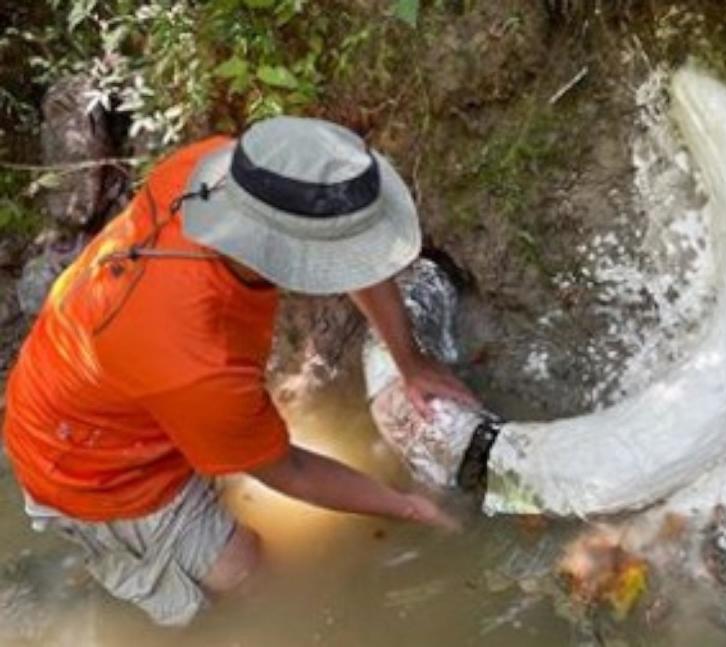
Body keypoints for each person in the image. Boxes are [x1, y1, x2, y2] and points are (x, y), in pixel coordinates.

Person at [1, 116, 477, 626]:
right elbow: (285, 468)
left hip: (109, 382)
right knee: (247, 576)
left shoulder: (225, 174)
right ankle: (49, 610)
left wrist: (411, 362)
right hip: (87, 464)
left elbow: (346, 250)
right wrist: (407, 507)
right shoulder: (196, 359)